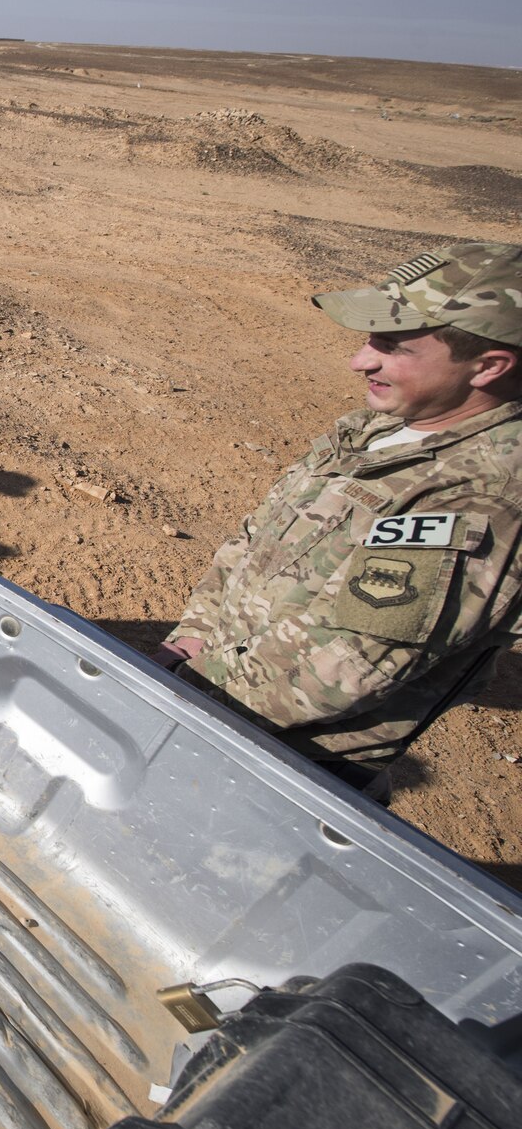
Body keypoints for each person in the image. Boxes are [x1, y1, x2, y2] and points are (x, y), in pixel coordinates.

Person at [156, 243, 522, 799]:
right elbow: (257, 541)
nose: (361, 360)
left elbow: (347, 667)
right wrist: (193, 637)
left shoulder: (482, 498)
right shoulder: (379, 429)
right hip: (210, 693)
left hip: (277, 759)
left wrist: (194, 696)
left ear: (489, 366)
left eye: (392, 347)